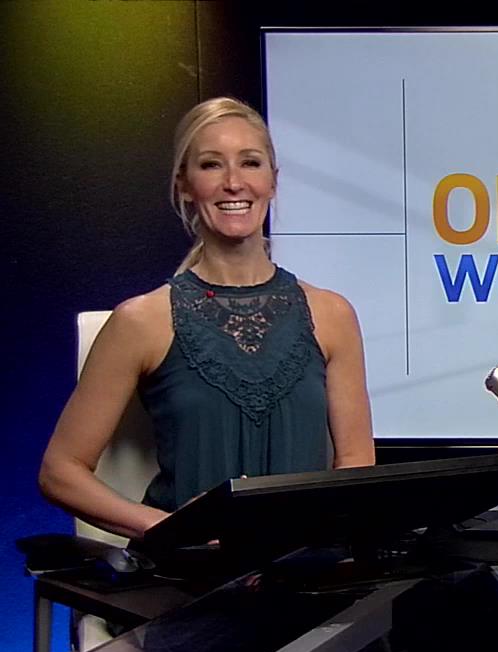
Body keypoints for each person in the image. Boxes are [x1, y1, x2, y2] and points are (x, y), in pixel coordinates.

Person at [39, 97, 375, 539]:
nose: (234, 183)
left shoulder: (332, 315)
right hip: (190, 568)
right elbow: (60, 471)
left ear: (273, 181)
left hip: (305, 567)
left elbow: (356, 465)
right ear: (184, 185)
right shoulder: (141, 321)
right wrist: (173, 530)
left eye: (250, 163)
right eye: (212, 165)